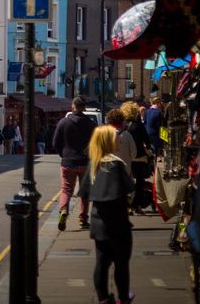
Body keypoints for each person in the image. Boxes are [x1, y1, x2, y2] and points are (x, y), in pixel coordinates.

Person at [78, 125, 136, 304]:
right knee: (121, 264)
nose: (119, 139)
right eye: (116, 137)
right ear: (108, 141)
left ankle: (103, 298)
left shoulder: (94, 164)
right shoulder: (115, 164)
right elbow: (128, 189)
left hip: (98, 223)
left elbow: (86, 193)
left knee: (101, 263)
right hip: (118, 223)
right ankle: (124, 298)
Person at [52, 96, 96, 231]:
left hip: (68, 162)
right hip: (85, 162)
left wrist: (63, 154)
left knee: (66, 190)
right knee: (85, 192)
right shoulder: (91, 124)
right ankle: (83, 219)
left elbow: (55, 143)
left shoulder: (63, 122)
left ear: (72, 107)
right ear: (84, 108)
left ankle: (64, 210)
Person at [121, 101, 153, 212]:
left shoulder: (123, 125)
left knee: (125, 181)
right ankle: (136, 205)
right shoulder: (138, 125)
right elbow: (147, 141)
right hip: (139, 157)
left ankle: (127, 205)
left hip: (126, 157)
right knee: (140, 182)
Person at [105, 109, 136, 174]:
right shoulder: (127, 135)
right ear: (122, 120)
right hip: (125, 170)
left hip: (108, 170)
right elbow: (134, 153)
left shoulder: (105, 134)